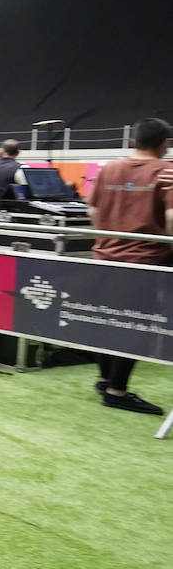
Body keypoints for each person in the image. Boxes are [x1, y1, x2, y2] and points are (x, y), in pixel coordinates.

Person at [85, 118, 173, 416]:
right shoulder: (166, 171)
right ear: (164, 143)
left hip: (104, 256)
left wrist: (108, 240)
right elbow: (172, 218)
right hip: (145, 260)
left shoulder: (109, 168)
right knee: (136, 324)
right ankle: (117, 391)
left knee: (107, 319)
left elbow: (93, 210)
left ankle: (104, 380)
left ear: (134, 141)